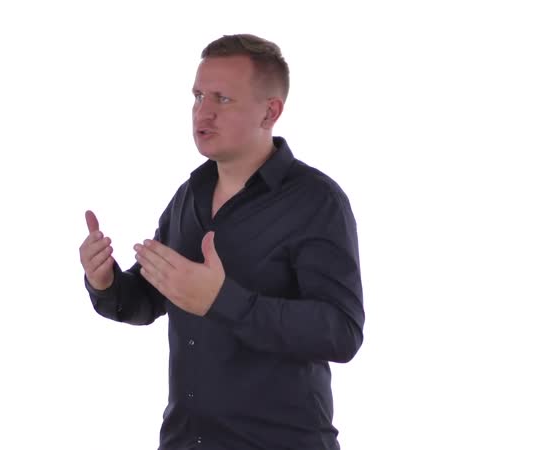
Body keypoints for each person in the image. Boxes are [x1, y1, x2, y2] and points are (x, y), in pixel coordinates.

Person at [79, 33, 364, 450]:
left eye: (222, 99)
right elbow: (148, 299)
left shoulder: (316, 201)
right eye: (198, 96)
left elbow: (341, 333)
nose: (203, 112)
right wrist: (106, 282)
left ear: (270, 112)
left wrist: (222, 300)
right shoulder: (189, 195)